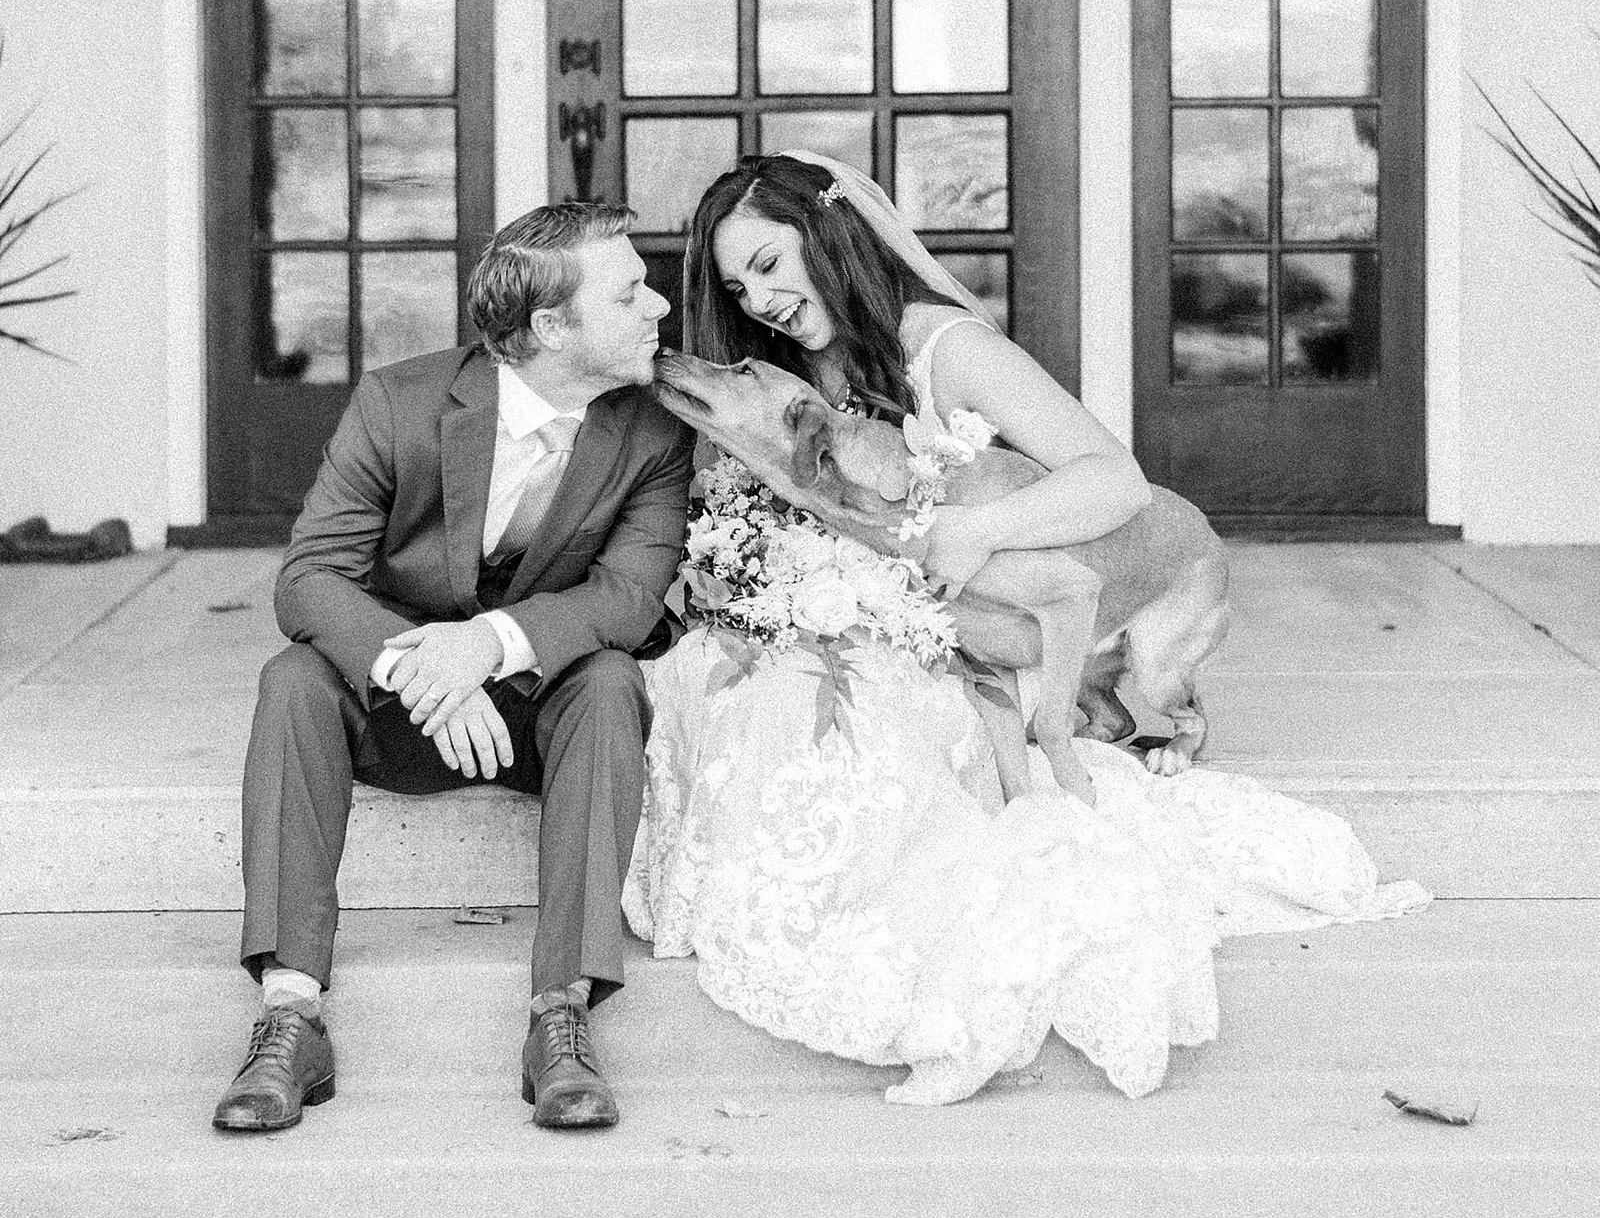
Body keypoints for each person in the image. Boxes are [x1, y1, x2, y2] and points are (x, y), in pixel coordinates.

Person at [623, 153, 1426, 1106]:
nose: (759, 299)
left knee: (881, 744)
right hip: (911, 627)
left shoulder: (945, 346)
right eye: (737, 287)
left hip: (977, 608)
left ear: (827, 235)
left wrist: (979, 531)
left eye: (768, 263)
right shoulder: (791, 371)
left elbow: (1117, 480)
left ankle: (927, 965)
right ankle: (828, 928)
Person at [215, 203, 691, 1135]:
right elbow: (309, 579)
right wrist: (427, 673)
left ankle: (561, 1015)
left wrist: (488, 645)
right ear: (551, 326)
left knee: (610, 679)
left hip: (544, 712)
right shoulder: (401, 402)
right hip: (404, 709)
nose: (660, 306)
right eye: (630, 292)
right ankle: (290, 1014)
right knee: (293, 679)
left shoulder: (652, 432)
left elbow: (630, 598)